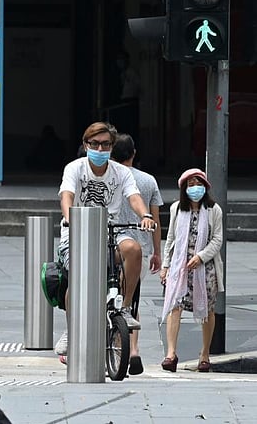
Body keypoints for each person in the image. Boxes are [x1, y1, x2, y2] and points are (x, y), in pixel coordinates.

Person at [54, 122, 157, 360]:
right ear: (85, 144)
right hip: (78, 229)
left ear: (112, 146)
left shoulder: (121, 173)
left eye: (105, 144)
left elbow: (134, 197)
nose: (100, 149)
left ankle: (125, 307)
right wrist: (71, 218)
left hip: (110, 229)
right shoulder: (75, 168)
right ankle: (72, 330)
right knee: (77, 281)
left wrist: (146, 216)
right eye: (95, 144)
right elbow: (66, 196)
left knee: (133, 248)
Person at [159, 168, 224, 373]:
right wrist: (166, 266)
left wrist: (201, 256)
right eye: (191, 184)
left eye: (198, 184)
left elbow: (217, 239)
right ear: (184, 188)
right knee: (174, 305)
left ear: (205, 187)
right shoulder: (177, 208)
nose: (195, 188)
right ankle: (171, 354)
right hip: (180, 267)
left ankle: (204, 354)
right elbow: (171, 239)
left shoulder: (214, 210)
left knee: (208, 309)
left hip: (205, 268)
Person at [112, 133, 163, 375]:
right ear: (134, 153)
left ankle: (118, 346)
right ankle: (133, 349)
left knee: (113, 296)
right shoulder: (148, 181)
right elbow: (155, 219)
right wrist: (157, 253)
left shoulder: (109, 179)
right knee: (129, 298)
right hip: (140, 249)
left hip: (111, 246)